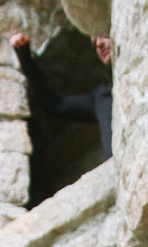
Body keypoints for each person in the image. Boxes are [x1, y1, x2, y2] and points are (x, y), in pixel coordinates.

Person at [9, 32, 113, 172]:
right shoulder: (102, 96)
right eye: (94, 43)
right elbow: (54, 103)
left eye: (103, 35)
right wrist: (24, 54)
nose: (99, 44)